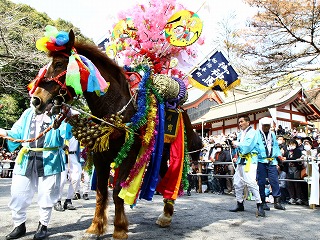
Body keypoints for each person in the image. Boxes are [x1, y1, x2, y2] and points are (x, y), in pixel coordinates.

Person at [0, 107, 71, 240]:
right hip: (26, 157)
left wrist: (69, 118)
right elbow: (17, 132)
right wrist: (4, 132)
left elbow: (66, 134)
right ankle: (19, 225)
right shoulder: (28, 112)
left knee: (47, 193)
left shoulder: (60, 112)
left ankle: (43, 225)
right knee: (18, 192)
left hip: (50, 157)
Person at [229, 115, 265, 217]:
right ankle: (239, 203)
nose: (240, 124)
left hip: (250, 160)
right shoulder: (241, 134)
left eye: (242, 121)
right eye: (239, 122)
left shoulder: (253, 132)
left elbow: (248, 145)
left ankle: (259, 204)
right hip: (241, 160)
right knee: (237, 182)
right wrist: (234, 147)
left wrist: (237, 144)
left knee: (251, 182)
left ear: (248, 122)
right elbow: (239, 147)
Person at [256, 117, 285, 211]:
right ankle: (263, 202)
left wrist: (279, 156)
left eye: (268, 126)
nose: (266, 127)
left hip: (272, 161)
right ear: (261, 126)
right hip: (261, 161)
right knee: (261, 182)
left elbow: (275, 146)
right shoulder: (256, 134)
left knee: (275, 181)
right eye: (265, 126)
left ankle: (277, 202)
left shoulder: (272, 134)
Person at [54, 135, 82, 211]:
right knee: (62, 180)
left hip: (74, 155)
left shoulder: (77, 128)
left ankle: (68, 200)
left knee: (76, 178)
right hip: (62, 155)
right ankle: (57, 200)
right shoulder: (62, 127)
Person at [281, 139, 303, 205]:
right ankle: (292, 197)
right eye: (290, 144)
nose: (291, 145)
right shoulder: (287, 152)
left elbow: (296, 158)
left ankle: (299, 198)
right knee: (289, 183)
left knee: (297, 184)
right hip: (288, 169)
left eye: (293, 144)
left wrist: (287, 159)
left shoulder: (298, 151)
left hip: (296, 169)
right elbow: (283, 158)